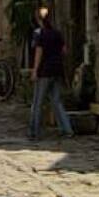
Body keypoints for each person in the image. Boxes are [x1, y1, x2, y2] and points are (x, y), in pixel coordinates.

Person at [28, 10, 74, 139]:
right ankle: (67, 129)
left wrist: (35, 70)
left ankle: (34, 131)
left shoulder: (40, 34)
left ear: (39, 20)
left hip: (44, 71)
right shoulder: (57, 33)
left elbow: (39, 53)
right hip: (57, 70)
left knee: (38, 102)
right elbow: (64, 51)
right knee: (57, 101)